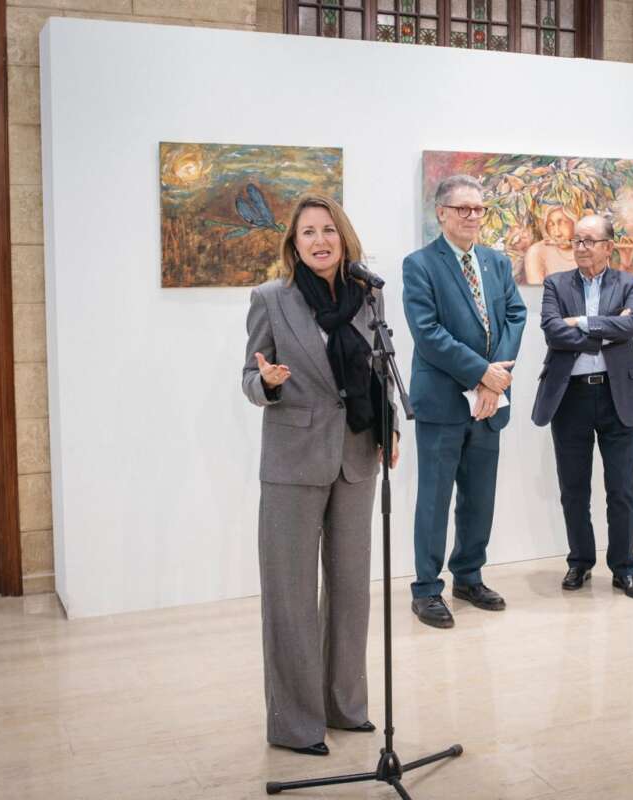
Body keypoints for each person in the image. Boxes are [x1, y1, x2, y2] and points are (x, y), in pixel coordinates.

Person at [242, 193, 398, 756]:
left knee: (352, 590)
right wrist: (270, 381)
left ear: (343, 236)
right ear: (293, 242)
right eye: (307, 232)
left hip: (356, 456)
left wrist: (390, 429)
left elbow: (381, 368)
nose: (319, 240)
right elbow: (250, 378)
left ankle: (344, 705)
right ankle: (295, 723)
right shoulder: (271, 299)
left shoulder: (368, 297)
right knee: (290, 594)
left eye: (328, 229)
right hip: (291, 461)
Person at [402, 175, 527, 628]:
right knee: (434, 500)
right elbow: (428, 333)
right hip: (443, 403)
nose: (473, 216)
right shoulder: (419, 265)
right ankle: (427, 589)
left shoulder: (495, 262)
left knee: (480, 498)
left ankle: (469, 576)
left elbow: (515, 314)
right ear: (441, 213)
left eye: (479, 209)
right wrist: (481, 373)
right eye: (463, 209)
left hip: (488, 403)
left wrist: (495, 383)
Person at [531, 214, 633, 599]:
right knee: (574, 489)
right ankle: (579, 562)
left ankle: (624, 569)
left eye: (588, 241)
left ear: (608, 246)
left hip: (617, 396)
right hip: (570, 397)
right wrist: (601, 333)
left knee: (621, 490)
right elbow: (552, 329)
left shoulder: (628, 282)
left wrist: (581, 322)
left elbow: (632, 325)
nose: (580, 247)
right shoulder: (555, 283)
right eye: (577, 241)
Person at [523, 204, 579, 283]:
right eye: (551, 225)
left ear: (574, 223)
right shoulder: (537, 251)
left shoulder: (586, 247)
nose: (557, 233)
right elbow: (536, 291)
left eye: (562, 223)